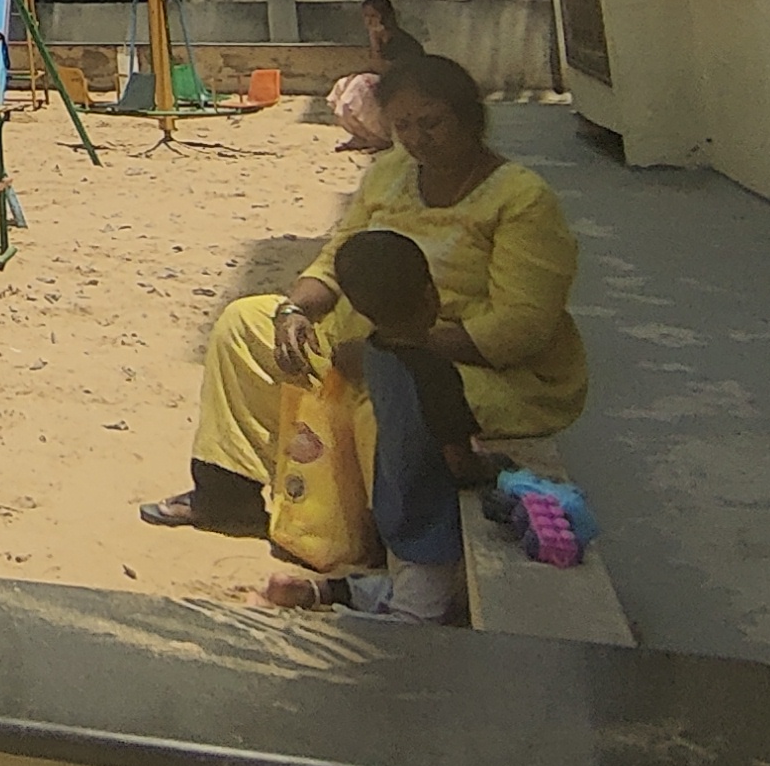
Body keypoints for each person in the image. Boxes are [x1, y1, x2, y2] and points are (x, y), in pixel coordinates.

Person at [139, 53, 586, 533]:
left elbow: (520, 328)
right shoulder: (391, 172)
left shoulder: (521, 200)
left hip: (468, 368)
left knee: (392, 400)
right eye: (403, 126)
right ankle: (227, 496)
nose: (417, 139)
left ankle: (372, 536)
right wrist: (294, 311)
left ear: (469, 118)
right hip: (360, 345)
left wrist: (390, 353)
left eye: (431, 123)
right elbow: (338, 257)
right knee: (243, 326)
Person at [252, 227, 484, 623]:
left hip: (392, 498)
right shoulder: (437, 374)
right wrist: (491, 472)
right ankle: (325, 624)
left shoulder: (373, 352)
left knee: (411, 582)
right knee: (417, 617)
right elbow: (457, 460)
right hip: (428, 516)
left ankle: (319, 591)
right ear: (431, 295)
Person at [325, 0, 415, 152]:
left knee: (359, 86)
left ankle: (381, 138)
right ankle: (362, 136)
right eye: (366, 16)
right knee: (344, 84)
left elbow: (385, 70)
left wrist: (374, 40)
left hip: (403, 87)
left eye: (373, 16)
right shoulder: (381, 38)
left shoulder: (401, 40)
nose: (369, 21)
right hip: (387, 82)